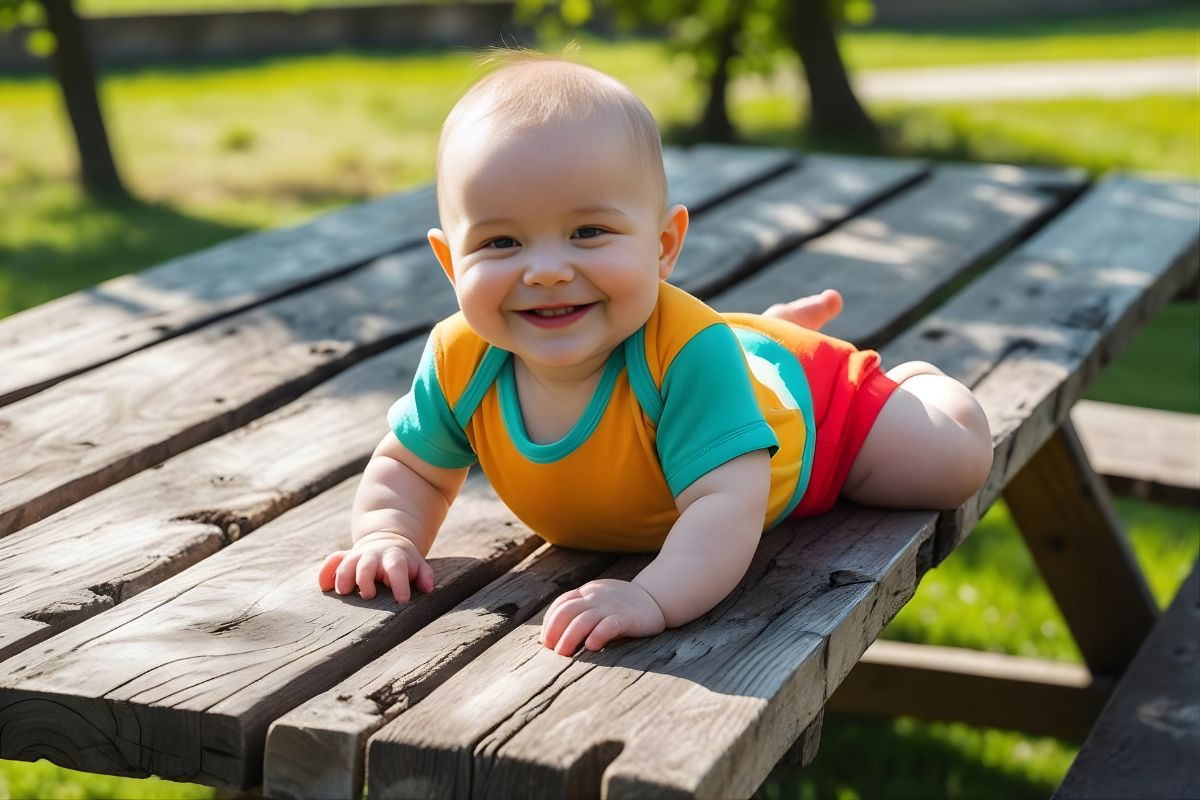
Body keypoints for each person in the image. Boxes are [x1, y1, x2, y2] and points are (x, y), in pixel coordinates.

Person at [317, 51, 992, 657]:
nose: (547, 270)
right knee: (724, 350)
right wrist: (387, 536)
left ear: (664, 246)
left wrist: (653, 596)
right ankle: (754, 333)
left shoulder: (685, 357)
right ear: (447, 261)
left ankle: (913, 380)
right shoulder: (461, 359)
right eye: (501, 244)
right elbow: (413, 468)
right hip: (727, 360)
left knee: (950, 461)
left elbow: (724, 508)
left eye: (588, 232)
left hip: (818, 413)